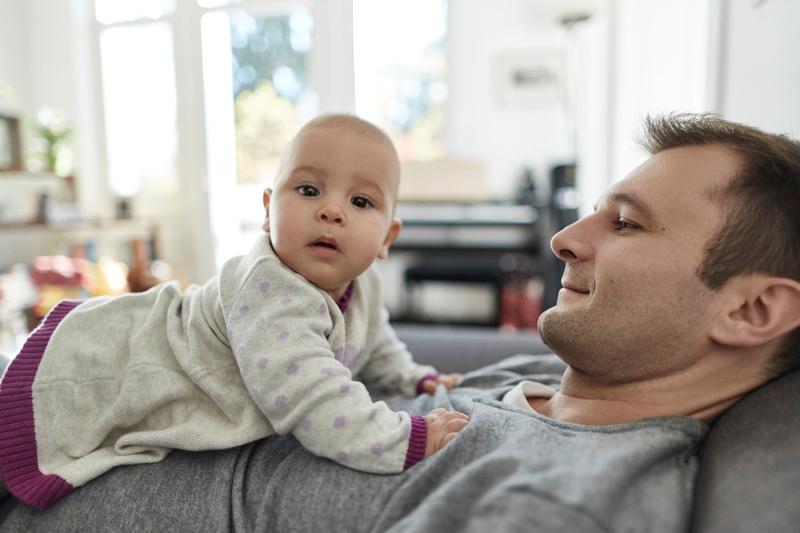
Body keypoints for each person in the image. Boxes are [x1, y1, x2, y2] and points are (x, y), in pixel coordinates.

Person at [1, 112, 798, 532]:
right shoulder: (522, 384)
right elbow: (379, 357)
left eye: (624, 223)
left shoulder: (569, 498)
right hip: (78, 414)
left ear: (753, 308)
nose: (562, 239)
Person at [0, 114, 468, 511]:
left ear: (388, 237)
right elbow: (313, 399)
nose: (331, 210)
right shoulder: (269, 289)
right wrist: (405, 439)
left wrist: (414, 378)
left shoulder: (363, 281)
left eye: (360, 201)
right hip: (115, 365)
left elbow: (374, 338)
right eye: (308, 189)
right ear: (268, 211)